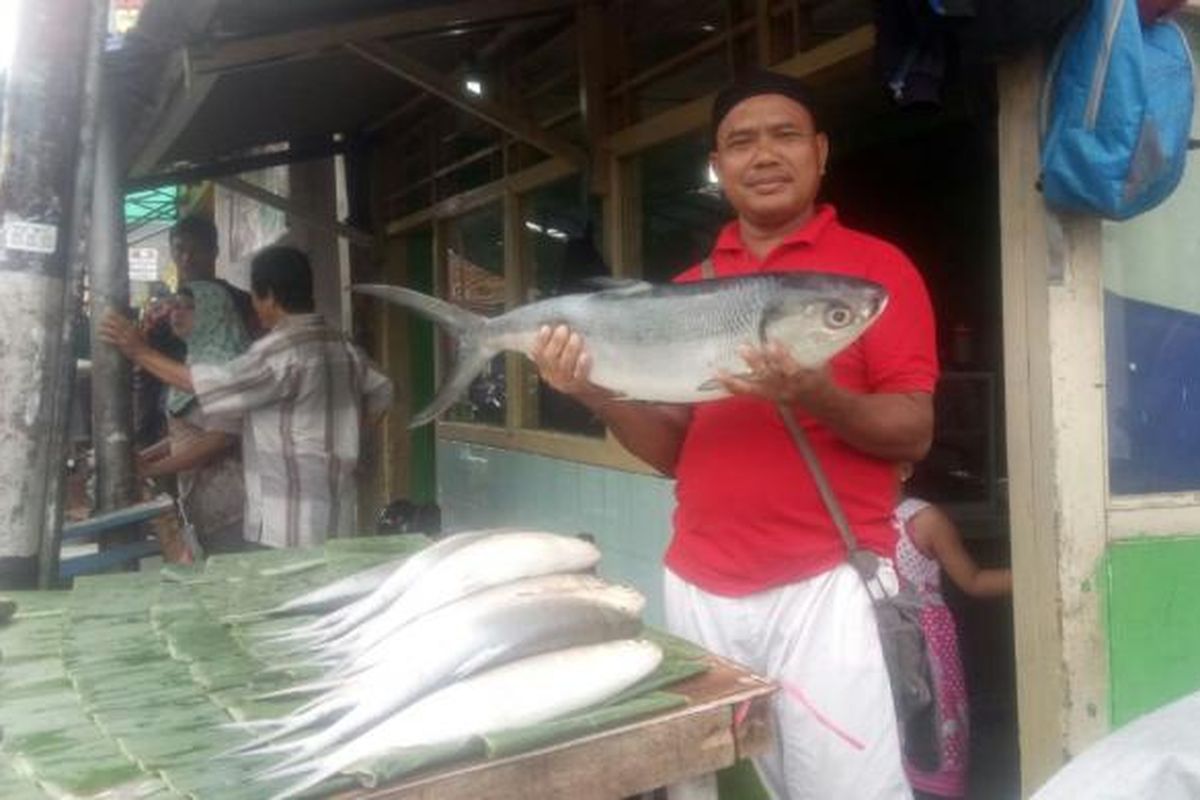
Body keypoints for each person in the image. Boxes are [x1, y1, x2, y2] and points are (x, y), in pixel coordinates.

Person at [530, 68, 938, 799]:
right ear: (718, 168)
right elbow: (673, 458)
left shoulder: (875, 274)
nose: (765, 155)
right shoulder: (688, 288)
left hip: (825, 583)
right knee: (698, 785)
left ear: (819, 151)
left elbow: (913, 432)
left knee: (848, 789)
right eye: (741, 142)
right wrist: (593, 391)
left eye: (785, 135)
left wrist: (820, 394)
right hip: (696, 583)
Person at [99, 245, 394, 549]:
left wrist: (139, 351)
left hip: (288, 524)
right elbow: (383, 391)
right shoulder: (343, 347)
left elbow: (214, 386)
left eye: (254, 296)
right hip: (339, 512)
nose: (253, 306)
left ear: (268, 295)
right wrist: (347, 441)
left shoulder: (280, 352)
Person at [894, 465, 1012, 799]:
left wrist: (1042, 571)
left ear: (904, 468)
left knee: (933, 731)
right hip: (873, 645)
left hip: (925, 648)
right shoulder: (847, 517)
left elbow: (972, 580)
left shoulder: (925, 520)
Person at [138, 282, 252, 556]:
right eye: (175, 305)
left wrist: (155, 469)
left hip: (231, 506)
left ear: (214, 313)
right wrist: (147, 456)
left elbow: (219, 439)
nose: (178, 313)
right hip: (201, 503)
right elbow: (186, 433)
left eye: (189, 307)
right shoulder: (192, 361)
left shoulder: (226, 364)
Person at [169, 214, 262, 339]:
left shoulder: (242, 303)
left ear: (215, 252)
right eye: (180, 249)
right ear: (171, 252)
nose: (187, 258)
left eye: (197, 249)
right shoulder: (165, 311)